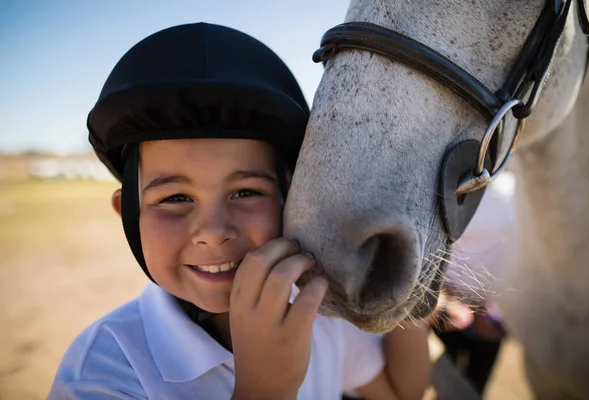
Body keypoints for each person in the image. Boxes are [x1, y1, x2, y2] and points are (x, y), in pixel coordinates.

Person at [47, 22, 430, 400]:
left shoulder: (316, 312)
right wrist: (265, 389)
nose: (213, 231)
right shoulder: (100, 375)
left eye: (246, 191)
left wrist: (401, 267)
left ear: (292, 199)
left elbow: (400, 393)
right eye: (175, 198)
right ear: (127, 214)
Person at [432, 171, 515, 395]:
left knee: (470, 388)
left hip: (485, 318)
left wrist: (492, 310)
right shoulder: (453, 185)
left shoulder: (512, 191)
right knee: (450, 386)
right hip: (445, 310)